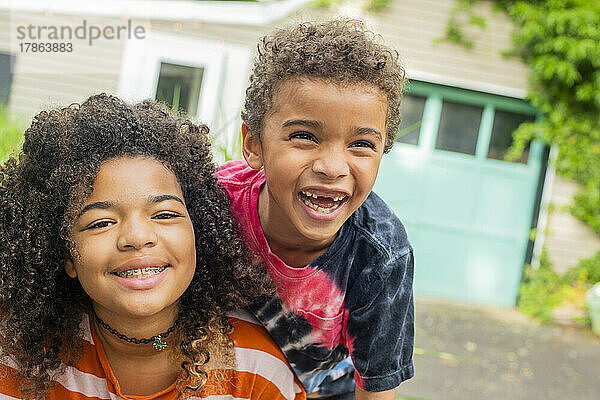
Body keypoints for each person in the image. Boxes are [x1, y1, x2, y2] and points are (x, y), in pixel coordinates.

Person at [0, 94, 306, 400]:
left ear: (197, 233)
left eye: (164, 215)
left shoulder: (258, 370)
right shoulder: (17, 356)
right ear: (66, 253)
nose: (137, 236)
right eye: (101, 223)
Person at [216, 19, 414, 400]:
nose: (333, 166)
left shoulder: (381, 255)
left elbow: (376, 387)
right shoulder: (212, 204)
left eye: (361, 143)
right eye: (304, 136)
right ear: (254, 145)